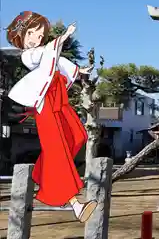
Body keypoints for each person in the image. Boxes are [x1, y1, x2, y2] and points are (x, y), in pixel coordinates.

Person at [6, 11, 97, 223]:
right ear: (21, 35)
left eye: (40, 34)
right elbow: (47, 54)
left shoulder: (46, 52)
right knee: (58, 150)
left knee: (78, 136)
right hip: (45, 103)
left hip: (59, 98)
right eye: (32, 33)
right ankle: (76, 204)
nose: (37, 38)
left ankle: (41, 175)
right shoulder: (28, 55)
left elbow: (59, 61)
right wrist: (63, 37)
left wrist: (81, 70)